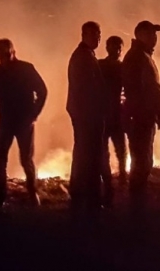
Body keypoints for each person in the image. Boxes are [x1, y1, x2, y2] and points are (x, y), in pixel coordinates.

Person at [0, 39, 47, 209]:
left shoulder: (26, 69)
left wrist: (33, 114)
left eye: (7, 54)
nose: (4, 59)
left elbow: (42, 91)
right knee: (1, 161)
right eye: (1, 55)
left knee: (26, 160)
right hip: (6, 122)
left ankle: (32, 192)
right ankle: (0, 199)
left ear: (13, 52)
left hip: (23, 122)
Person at [122, 20, 160, 212]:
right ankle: (137, 210)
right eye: (150, 34)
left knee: (143, 161)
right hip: (141, 117)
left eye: (155, 34)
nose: (154, 38)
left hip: (144, 116)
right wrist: (158, 107)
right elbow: (143, 89)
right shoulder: (137, 57)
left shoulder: (142, 56)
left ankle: (138, 206)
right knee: (141, 162)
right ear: (140, 35)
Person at [67, 21, 106, 215]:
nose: (98, 38)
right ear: (84, 35)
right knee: (89, 156)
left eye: (99, 35)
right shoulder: (83, 57)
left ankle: (81, 195)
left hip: (85, 114)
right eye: (94, 35)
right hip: (87, 115)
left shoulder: (85, 55)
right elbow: (88, 89)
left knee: (84, 154)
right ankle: (89, 198)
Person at [98, 36, 127, 207]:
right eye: (113, 46)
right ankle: (110, 182)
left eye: (118, 47)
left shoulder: (120, 67)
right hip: (107, 115)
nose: (116, 50)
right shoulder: (102, 66)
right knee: (110, 151)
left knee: (119, 150)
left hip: (113, 114)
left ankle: (118, 179)